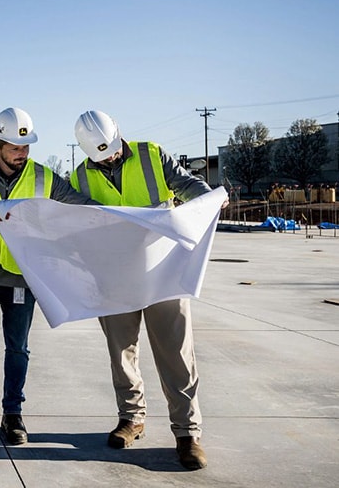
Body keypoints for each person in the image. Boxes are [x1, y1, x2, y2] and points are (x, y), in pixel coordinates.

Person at [71, 109, 223, 470]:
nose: (108, 159)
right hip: (116, 278)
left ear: (120, 134)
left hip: (163, 273)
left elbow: (190, 187)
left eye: (111, 151)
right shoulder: (80, 176)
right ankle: (131, 418)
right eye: (100, 156)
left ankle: (187, 434)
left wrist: (212, 198)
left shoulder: (153, 155)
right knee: (121, 352)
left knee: (176, 354)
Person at [0, 108, 95, 456]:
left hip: (21, 278)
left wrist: (127, 218)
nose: (22, 154)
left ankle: (12, 416)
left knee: (19, 349)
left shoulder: (45, 177)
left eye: (26, 146)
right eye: (15, 147)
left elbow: (82, 206)